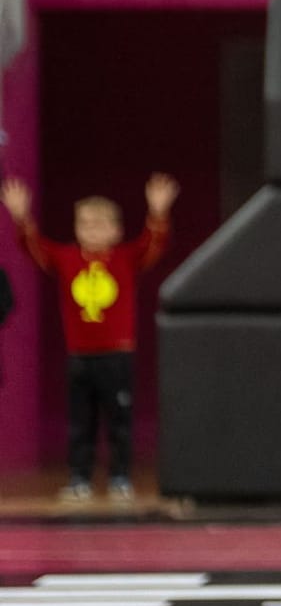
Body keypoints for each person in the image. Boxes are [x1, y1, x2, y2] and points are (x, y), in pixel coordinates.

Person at [3, 172, 176, 503]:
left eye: (100, 225)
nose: (92, 231)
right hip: (80, 357)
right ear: (76, 229)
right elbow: (35, 248)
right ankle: (79, 478)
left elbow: (154, 244)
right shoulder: (67, 258)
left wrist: (158, 211)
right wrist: (21, 217)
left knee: (119, 423)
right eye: (85, 225)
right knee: (80, 424)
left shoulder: (125, 257)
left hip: (117, 355)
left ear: (116, 230)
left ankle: (120, 477)